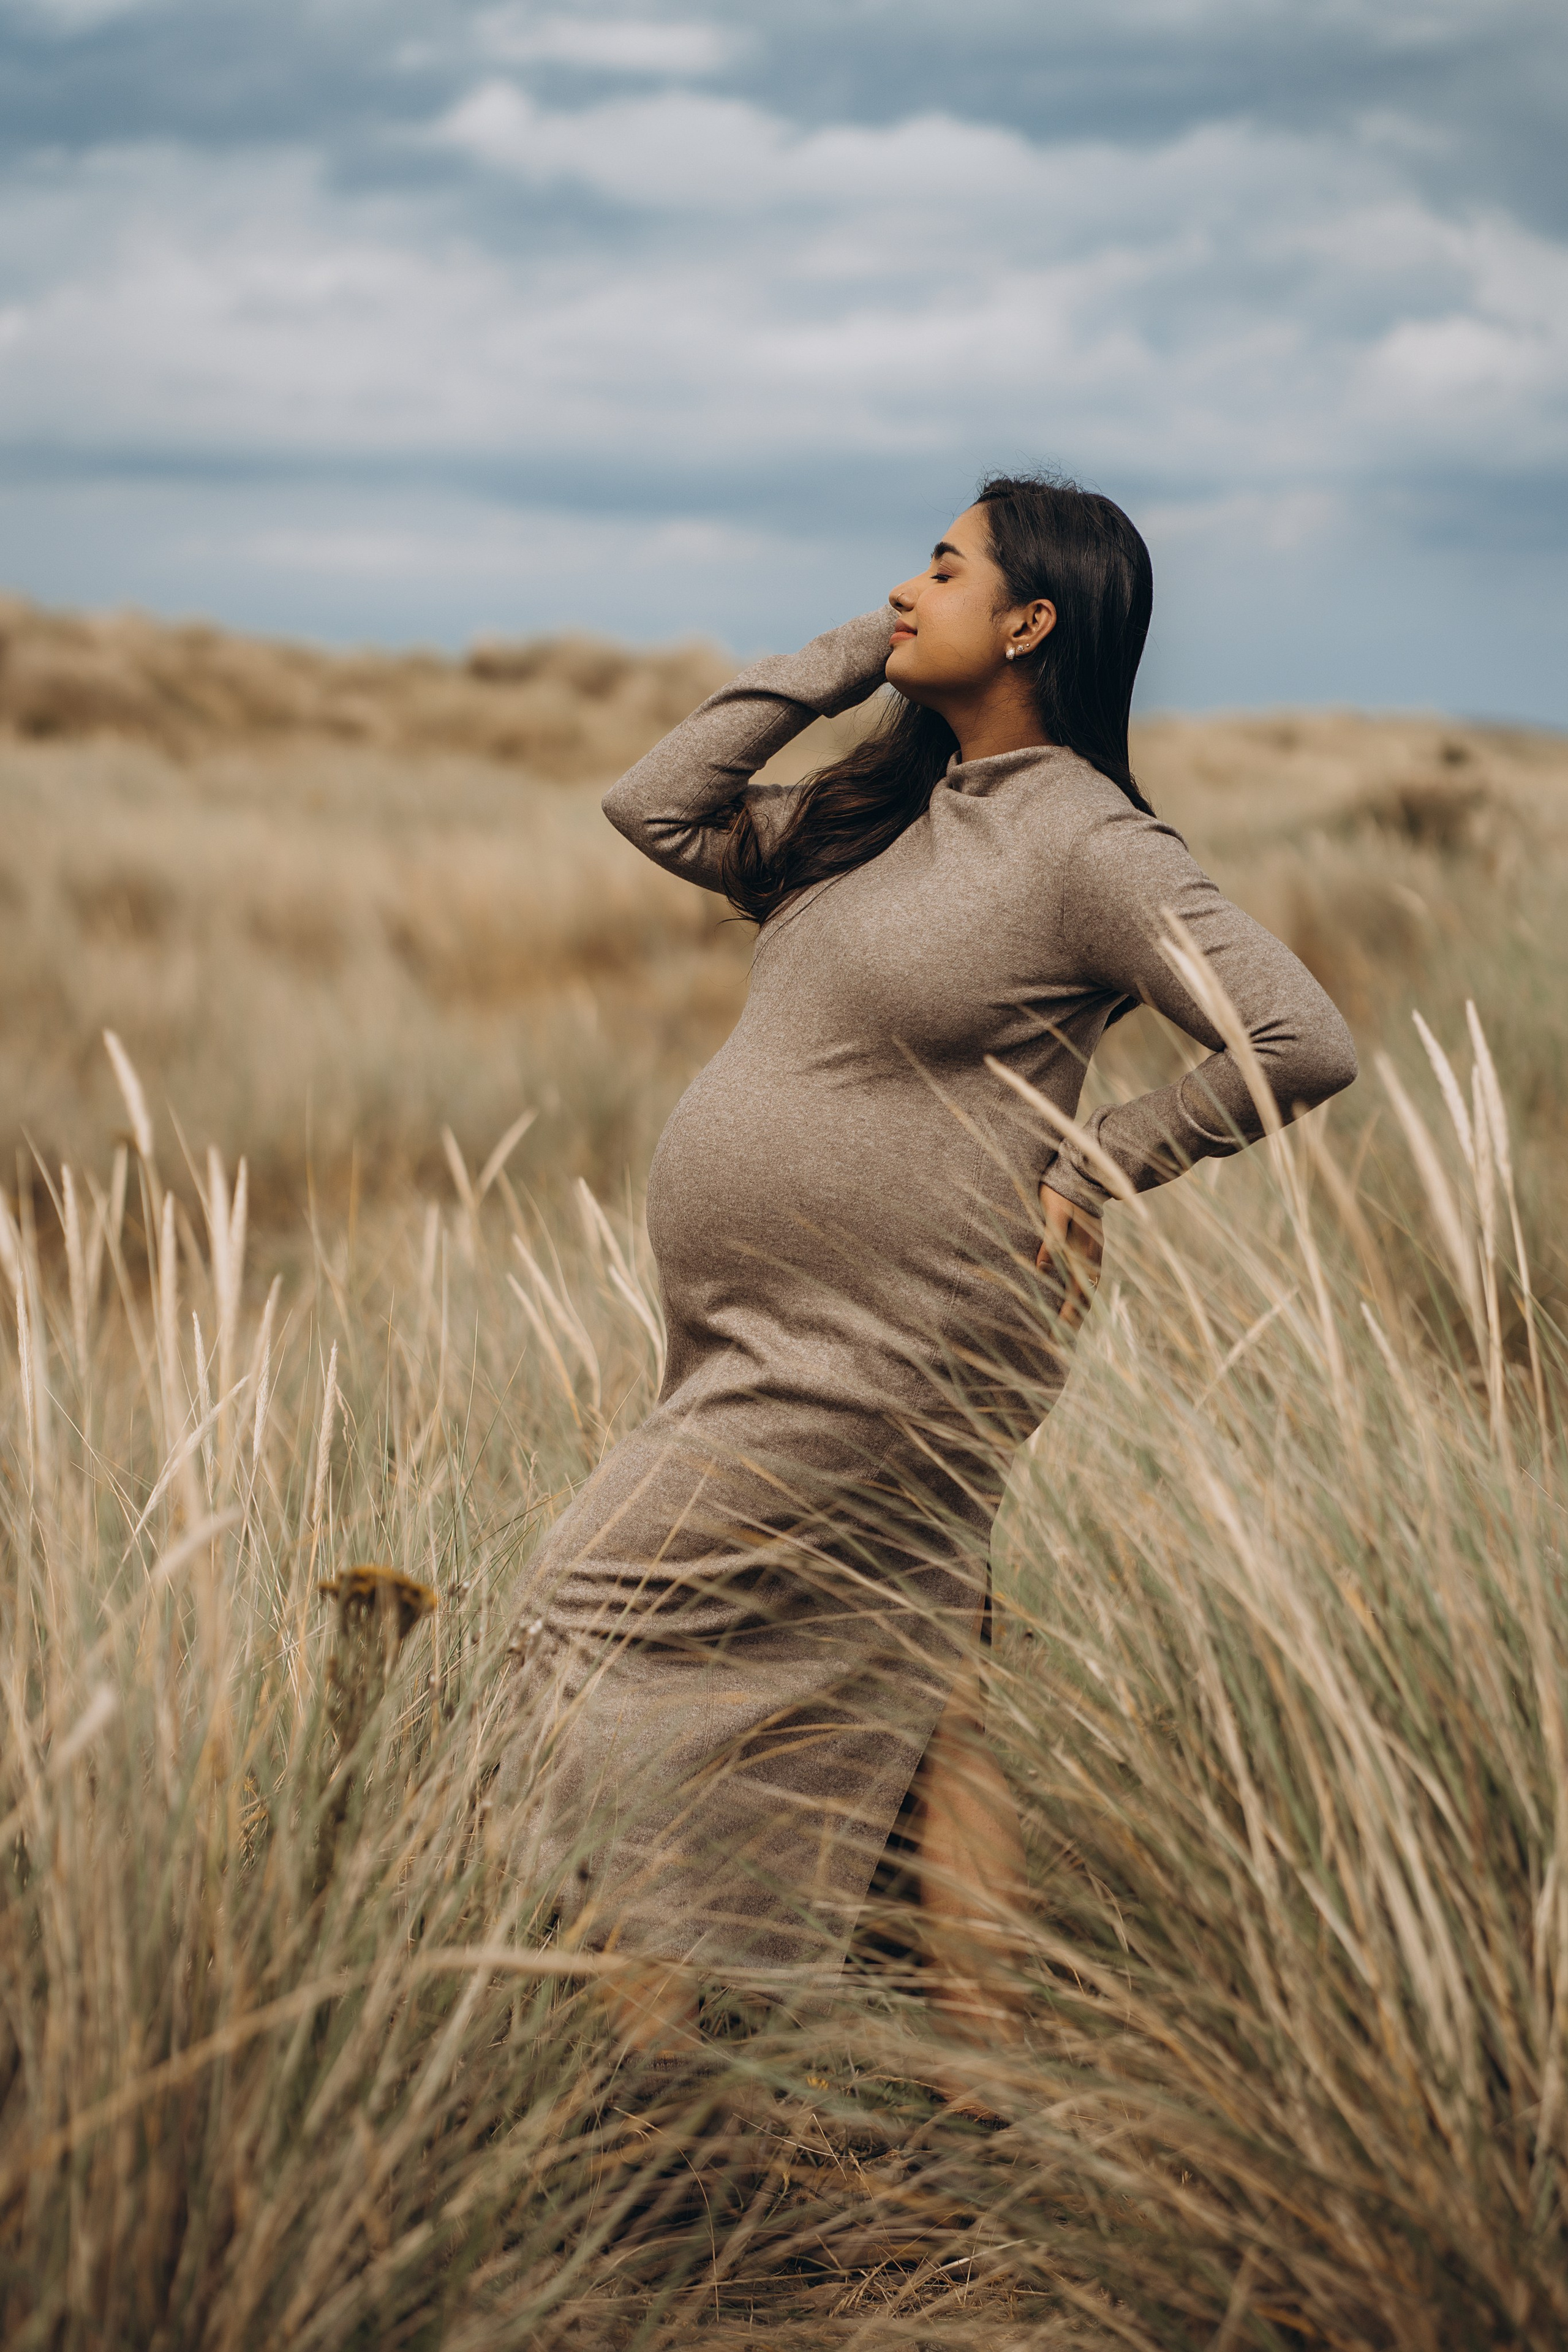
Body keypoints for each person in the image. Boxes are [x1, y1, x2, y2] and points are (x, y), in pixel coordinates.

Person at [513, 473, 1357, 2070]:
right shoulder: (887, 814)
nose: (910, 585)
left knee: (592, 1622)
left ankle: (663, 2075)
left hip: (899, 1337)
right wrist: (856, 659)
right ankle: (992, 2089)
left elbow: (1301, 1037)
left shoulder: (1089, 845)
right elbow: (658, 804)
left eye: (944, 569)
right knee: (928, 1691)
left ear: (1031, 621)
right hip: (763, 1332)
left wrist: (1113, 1152)